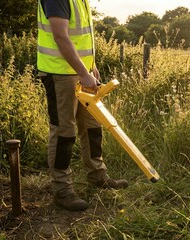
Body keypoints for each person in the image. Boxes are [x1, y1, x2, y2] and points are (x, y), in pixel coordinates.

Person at [37, 0, 128, 211]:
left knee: (92, 124)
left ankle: (97, 175)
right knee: (64, 132)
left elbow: (81, 38)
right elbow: (60, 36)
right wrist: (83, 72)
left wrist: (91, 67)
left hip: (81, 72)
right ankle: (62, 190)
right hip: (60, 73)